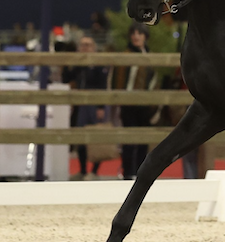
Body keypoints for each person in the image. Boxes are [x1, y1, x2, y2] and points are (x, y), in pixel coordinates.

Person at [63, 35, 110, 179]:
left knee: (97, 137)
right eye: (82, 45)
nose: (85, 48)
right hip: (81, 104)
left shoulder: (99, 65)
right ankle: (83, 170)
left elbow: (102, 85)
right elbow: (66, 78)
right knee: (81, 138)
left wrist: (101, 106)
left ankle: (95, 171)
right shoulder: (79, 65)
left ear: (94, 48)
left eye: (88, 45)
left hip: (95, 103)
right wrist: (67, 62)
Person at [116, 23, 158, 179]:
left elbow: (154, 80)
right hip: (128, 104)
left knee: (143, 141)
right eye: (133, 33)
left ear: (145, 36)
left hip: (146, 105)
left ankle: (141, 173)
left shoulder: (150, 55)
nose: (136, 36)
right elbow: (118, 79)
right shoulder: (126, 54)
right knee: (129, 140)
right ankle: (128, 173)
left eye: (139, 33)